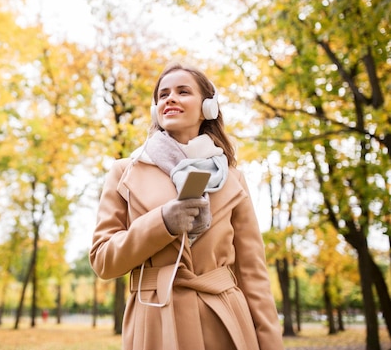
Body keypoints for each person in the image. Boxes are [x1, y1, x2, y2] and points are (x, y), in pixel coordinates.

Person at [89, 61, 284, 350]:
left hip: (226, 322)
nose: (170, 98)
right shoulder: (125, 172)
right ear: (156, 109)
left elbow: (253, 276)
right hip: (155, 323)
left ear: (208, 108)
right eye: (163, 94)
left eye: (183, 91)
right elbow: (103, 260)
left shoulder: (233, 179)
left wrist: (270, 345)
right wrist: (162, 223)